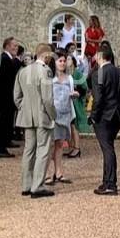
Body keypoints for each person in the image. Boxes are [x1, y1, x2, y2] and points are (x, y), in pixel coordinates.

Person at [15, 43, 57, 198]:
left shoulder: (23, 71)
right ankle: (37, 186)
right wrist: (53, 114)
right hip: (42, 116)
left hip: (27, 116)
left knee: (29, 150)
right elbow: (47, 98)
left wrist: (25, 108)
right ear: (46, 55)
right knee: (43, 150)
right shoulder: (45, 71)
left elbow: (16, 96)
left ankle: (26, 185)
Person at [89, 42, 120, 195]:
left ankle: (110, 184)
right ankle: (107, 181)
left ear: (100, 56)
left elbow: (98, 99)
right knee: (108, 147)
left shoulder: (98, 74)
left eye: (96, 54)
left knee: (107, 149)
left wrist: (93, 117)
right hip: (118, 116)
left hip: (104, 116)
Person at [46, 52, 77, 186]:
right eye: (60, 61)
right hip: (53, 115)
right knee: (50, 145)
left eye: (64, 61)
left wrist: (73, 94)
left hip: (65, 114)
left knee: (59, 144)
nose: (63, 63)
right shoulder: (49, 78)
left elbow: (71, 91)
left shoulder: (69, 78)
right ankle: (47, 174)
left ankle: (59, 172)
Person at [0, 37, 21, 158]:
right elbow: (6, 79)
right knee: (4, 120)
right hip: (5, 96)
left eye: (17, 46)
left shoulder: (9, 59)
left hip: (9, 96)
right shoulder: (4, 59)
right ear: (7, 46)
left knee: (9, 120)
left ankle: (7, 141)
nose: (16, 48)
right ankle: (0, 149)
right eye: (14, 45)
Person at [65, 43, 88, 158]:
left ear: (73, 62)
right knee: (69, 126)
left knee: (74, 126)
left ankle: (77, 148)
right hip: (67, 103)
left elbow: (84, 87)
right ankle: (71, 146)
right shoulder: (64, 74)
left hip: (76, 102)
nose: (66, 61)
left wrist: (77, 92)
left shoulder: (77, 73)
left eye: (68, 59)